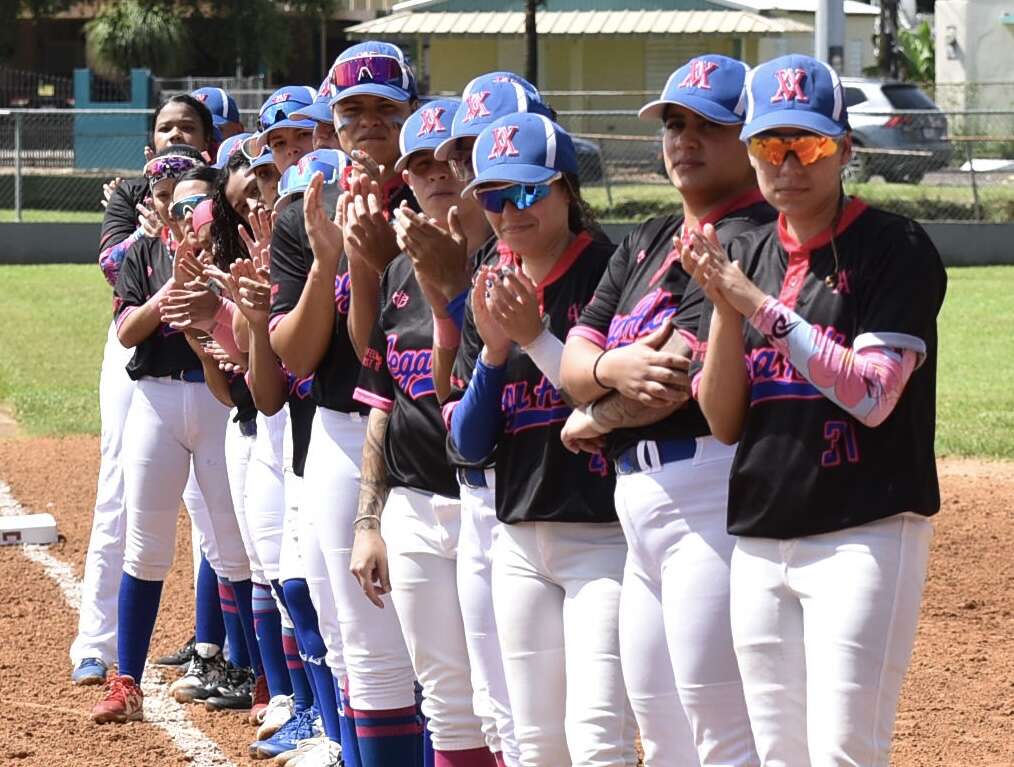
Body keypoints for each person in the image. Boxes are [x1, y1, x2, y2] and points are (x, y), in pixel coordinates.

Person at [683, 54, 946, 767]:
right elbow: (723, 419)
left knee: (844, 753)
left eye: (810, 144)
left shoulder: (896, 245)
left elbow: (871, 394)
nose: (789, 163)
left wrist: (755, 307)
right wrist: (723, 311)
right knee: (779, 755)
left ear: (845, 150)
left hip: (864, 532)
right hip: (762, 537)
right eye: (771, 144)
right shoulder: (745, 253)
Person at [559, 55, 770, 767]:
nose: (685, 139)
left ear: (752, 138)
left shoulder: (753, 237)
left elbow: (677, 374)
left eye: (710, 125)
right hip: (639, 506)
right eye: (676, 123)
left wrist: (597, 412)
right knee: (661, 724)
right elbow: (572, 365)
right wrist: (607, 372)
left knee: (723, 728)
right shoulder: (647, 239)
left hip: (712, 493)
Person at [447, 112, 636, 767]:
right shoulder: (491, 286)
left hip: (606, 536)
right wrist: (495, 356)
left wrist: (535, 336)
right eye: (494, 197)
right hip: (518, 539)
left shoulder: (614, 272)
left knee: (598, 740)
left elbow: (629, 404)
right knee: (534, 745)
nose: (508, 212)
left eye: (525, 192)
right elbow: (468, 446)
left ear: (566, 189)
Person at [346, 100, 504, 767]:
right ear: (403, 178)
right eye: (418, 162)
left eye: (448, 158)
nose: (435, 172)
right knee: (446, 700)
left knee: (505, 705)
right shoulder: (400, 271)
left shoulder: (504, 257)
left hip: (487, 500)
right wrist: (368, 519)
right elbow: (383, 399)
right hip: (411, 504)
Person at [90, 146, 251, 724]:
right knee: (145, 543)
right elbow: (130, 331)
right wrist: (168, 293)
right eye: (167, 202)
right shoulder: (145, 253)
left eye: (193, 204)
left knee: (233, 545)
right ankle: (125, 680)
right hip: (156, 398)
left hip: (214, 400)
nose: (180, 215)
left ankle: (255, 677)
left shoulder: (231, 252)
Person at [72, 95, 216, 684]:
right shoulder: (132, 194)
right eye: (165, 126)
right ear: (150, 142)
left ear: (206, 142)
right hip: (137, 342)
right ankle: (95, 645)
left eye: (187, 125)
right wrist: (154, 234)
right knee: (117, 488)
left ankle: (217, 646)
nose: (175, 132)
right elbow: (112, 266)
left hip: (205, 344)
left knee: (212, 504)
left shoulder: (214, 190)